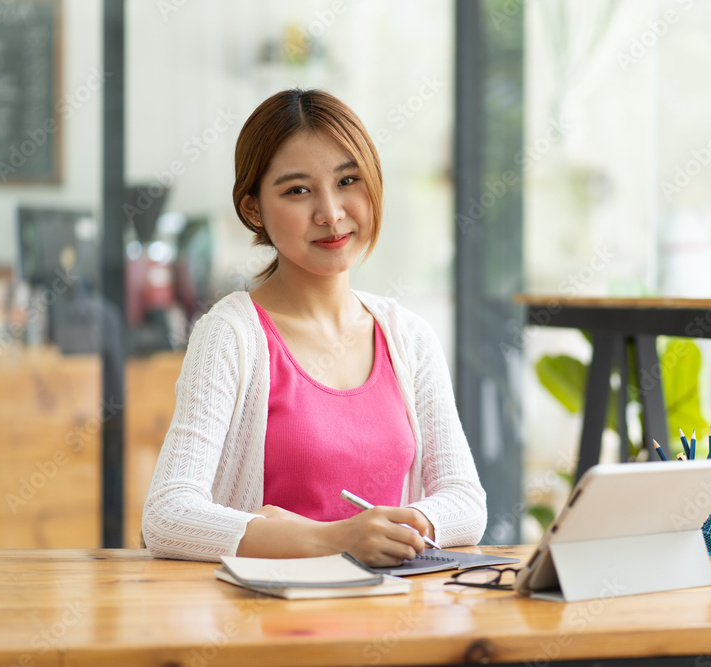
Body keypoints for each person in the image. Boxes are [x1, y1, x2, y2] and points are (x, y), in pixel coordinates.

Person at [142, 89, 487, 566]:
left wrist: (396, 530)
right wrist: (336, 539)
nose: (331, 213)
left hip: (395, 619)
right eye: (297, 190)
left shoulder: (408, 337)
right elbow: (167, 515)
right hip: (270, 621)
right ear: (253, 210)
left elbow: (466, 502)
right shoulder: (230, 335)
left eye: (348, 180)